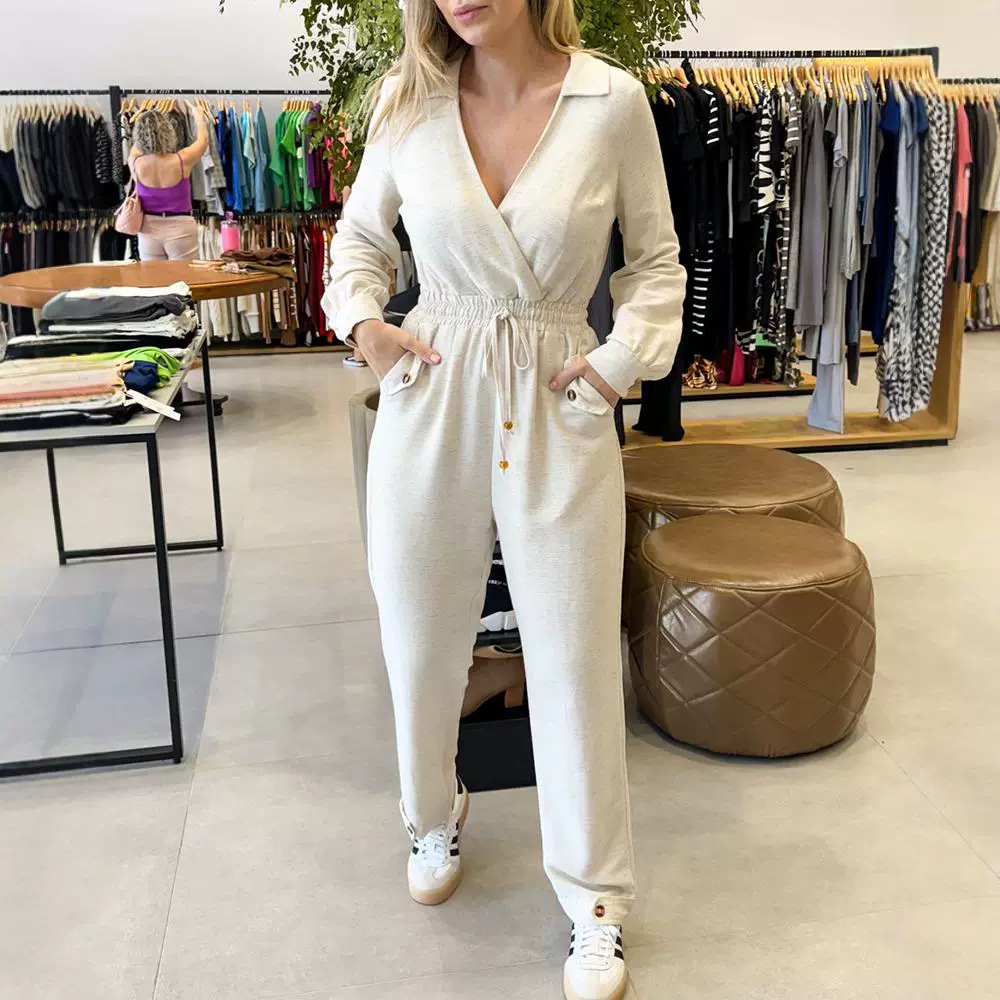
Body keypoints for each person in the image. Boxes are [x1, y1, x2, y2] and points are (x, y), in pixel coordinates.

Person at [323, 1, 685, 997]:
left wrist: (619, 363)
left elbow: (655, 261)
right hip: (433, 381)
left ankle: (595, 900)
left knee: (571, 654)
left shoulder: (609, 101)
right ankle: (430, 812)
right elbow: (359, 240)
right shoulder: (407, 101)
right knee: (418, 632)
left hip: (560, 389)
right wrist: (366, 326)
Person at [128, 107, 208, 261]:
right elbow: (203, 141)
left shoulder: (136, 163)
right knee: (185, 275)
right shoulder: (182, 160)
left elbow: (136, 147)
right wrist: (198, 116)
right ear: (168, 132)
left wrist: (145, 124)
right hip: (181, 228)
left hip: (148, 229)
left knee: (154, 276)